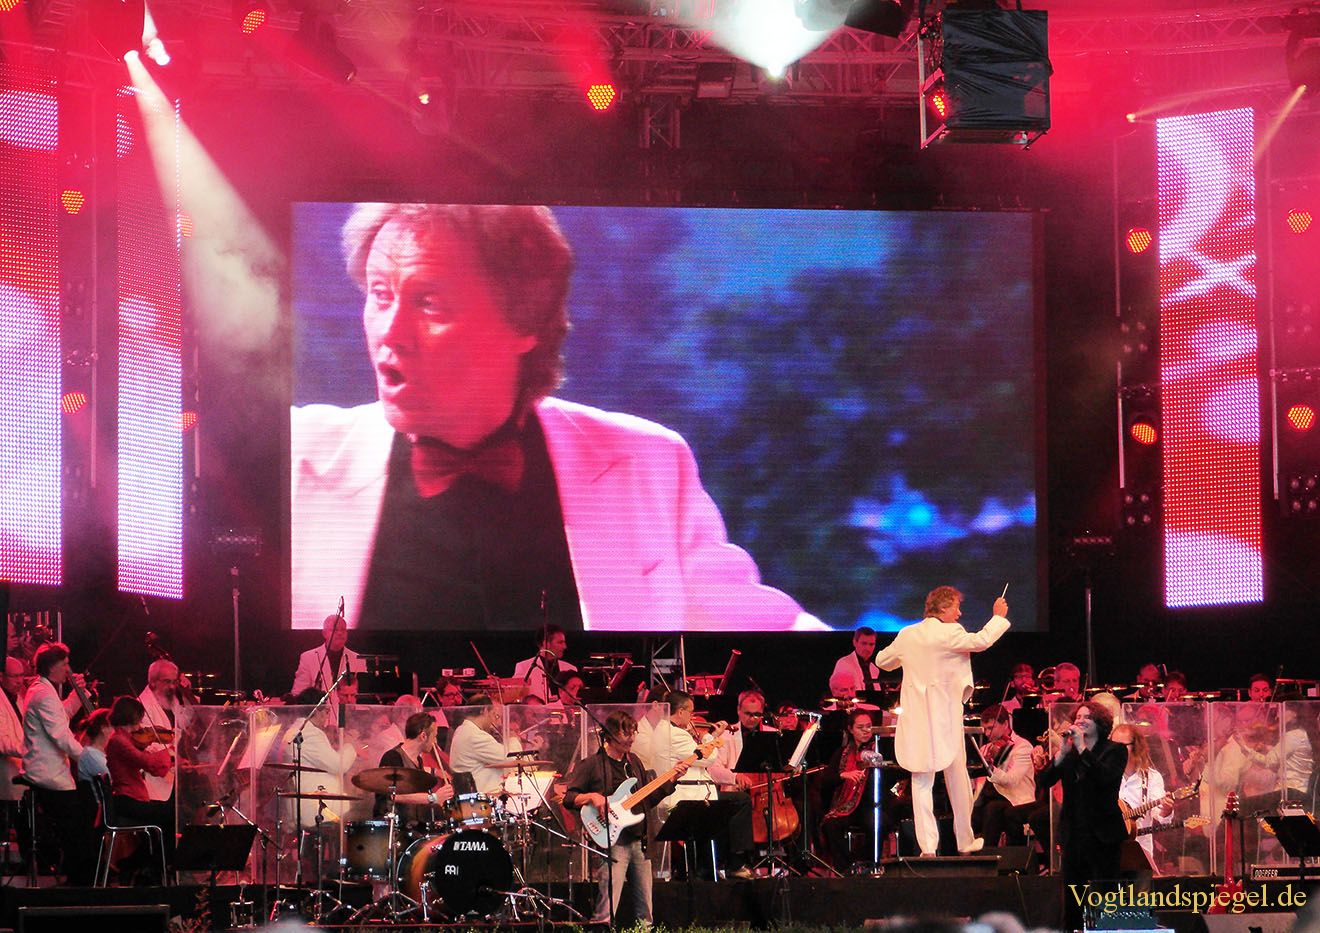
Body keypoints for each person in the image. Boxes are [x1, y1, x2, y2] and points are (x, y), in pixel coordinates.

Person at [290, 202, 824, 634]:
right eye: (380, 295)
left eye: (429, 302)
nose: (390, 330)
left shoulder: (647, 461)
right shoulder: (295, 455)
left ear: (524, 323)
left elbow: (767, 629)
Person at [872, 587, 1010, 856]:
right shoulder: (950, 633)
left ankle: (928, 847)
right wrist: (998, 617)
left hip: (918, 720)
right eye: (956, 607)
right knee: (957, 779)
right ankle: (964, 841)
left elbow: (882, 660)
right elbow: (982, 640)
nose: (959, 613)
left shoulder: (908, 634)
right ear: (944, 607)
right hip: (945, 718)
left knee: (922, 779)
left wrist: (907, 656)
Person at [563, 711, 688, 925]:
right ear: (610, 735)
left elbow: (646, 801)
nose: (632, 738)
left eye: (634, 733)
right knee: (607, 906)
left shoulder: (634, 762)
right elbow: (569, 798)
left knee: (645, 909)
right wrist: (592, 797)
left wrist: (672, 779)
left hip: (640, 841)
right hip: (613, 842)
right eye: (626, 733)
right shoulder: (592, 764)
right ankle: (601, 929)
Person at [1036, 703, 1127, 929]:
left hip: (1103, 835)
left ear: (1100, 722)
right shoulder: (1071, 753)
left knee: (1103, 895)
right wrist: (1061, 754)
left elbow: (1104, 777)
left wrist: (1082, 747)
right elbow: (1044, 781)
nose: (1080, 720)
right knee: (1072, 896)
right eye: (1078, 717)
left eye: (1087, 716)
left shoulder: (1115, 750)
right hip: (1074, 834)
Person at [650, 690, 754, 880]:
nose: (692, 717)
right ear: (680, 712)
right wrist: (711, 736)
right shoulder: (675, 734)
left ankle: (709, 866)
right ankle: (734, 863)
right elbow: (707, 757)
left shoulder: (667, 730)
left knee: (726, 809)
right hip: (684, 796)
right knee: (740, 801)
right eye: (690, 712)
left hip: (689, 792)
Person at [21, 642, 93, 884]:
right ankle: (78, 881)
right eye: (65, 664)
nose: (68, 670)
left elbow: (61, 715)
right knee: (76, 828)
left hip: (54, 772)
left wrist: (79, 694)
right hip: (48, 775)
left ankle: (78, 878)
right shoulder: (42, 693)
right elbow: (61, 735)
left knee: (78, 825)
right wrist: (90, 759)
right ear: (53, 667)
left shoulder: (44, 690)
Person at [105, 696, 176, 879]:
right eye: (138, 720)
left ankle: (143, 865)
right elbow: (147, 763)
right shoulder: (118, 741)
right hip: (126, 800)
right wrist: (169, 751)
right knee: (171, 815)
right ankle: (151, 866)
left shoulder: (124, 739)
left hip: (131, 798)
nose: (140, 726)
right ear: (130, 717)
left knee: (168, 817)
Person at [280, 688, 358, 829]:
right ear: (317, 711)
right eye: (327, 711)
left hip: (307, 801)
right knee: (363, 808)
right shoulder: (310, 733)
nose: (327, 716)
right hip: (315, 807)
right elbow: (338, 766)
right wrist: (350, 745)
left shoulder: (295, 730)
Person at [819, 709, 886, 872]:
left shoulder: (879, 749)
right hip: (848, 806)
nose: (866, 731)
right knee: (830, 824)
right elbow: (825, 781)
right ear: (850, 729)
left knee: (876, 823)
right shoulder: (842, 753)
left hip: (871, 804)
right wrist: (843, 775)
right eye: (860, 727)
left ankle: (869, 865)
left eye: (869, 726)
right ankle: (847, 869)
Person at [372, 712, 454, 830]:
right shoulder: (393, 757)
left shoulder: (418, 761)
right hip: (392, 826)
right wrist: (433, 798)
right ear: (423, 736)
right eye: (434, 736)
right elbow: (394, 796)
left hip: (411, 825)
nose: (435, 741)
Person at [972, 704, 1036, 847]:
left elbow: (1011, 781)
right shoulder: (985, 749)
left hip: (1014, 800)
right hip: (987, 800)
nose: (987, 734)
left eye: (991, 728)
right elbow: (976, 784)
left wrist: (991, 768)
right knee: (964, 814)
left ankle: (988, 854)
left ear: (1005, 724)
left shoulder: (1022, 747)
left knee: (992, 809)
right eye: (985, 729)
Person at [1111, 723, 1173, 870]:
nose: (1115, 750)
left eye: (1122, 746)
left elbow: (1160, 816)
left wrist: (1166, 810)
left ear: (1136, 747)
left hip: (1139, 855)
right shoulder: (1104, 775)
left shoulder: (1152, 777)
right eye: (1113, 745)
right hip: (1107, 851)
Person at [448, 695, 515, 794]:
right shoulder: (475, 736)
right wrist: (513, 739)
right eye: (493, 715)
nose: (492, 721)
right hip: (482, 797)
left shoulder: (462, 730)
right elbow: (510, 758)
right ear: (485, 711)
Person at [137, 659, 183, 804]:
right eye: (167, 681)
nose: (172, 687)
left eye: (174, 682)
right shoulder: (142, 707)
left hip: (175, 778)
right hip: (156, 783)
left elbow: (187, 724)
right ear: (153, 682)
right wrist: (175, 755)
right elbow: (148, 747)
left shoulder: (172, 701)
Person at [291, 613, 366, 696]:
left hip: (347, 704)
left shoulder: (358, 659)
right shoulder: (308, 658)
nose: (340, 633)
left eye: (343, 630)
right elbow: (298, 693)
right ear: (324, 633)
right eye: (335, 630)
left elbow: (361, 694)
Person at [512, 624, 578, 703]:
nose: (564, 646)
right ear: (545, 643)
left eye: (564, 642)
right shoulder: (524, 667)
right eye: (560, 642)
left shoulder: (570, 669)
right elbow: (517, 697)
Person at [830, 627, 881, 694]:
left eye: (871, 644)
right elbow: (837, 691)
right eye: (864, 643)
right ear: (855, 642)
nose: (868, 648)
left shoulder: (874, 669)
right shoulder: (843, 663)